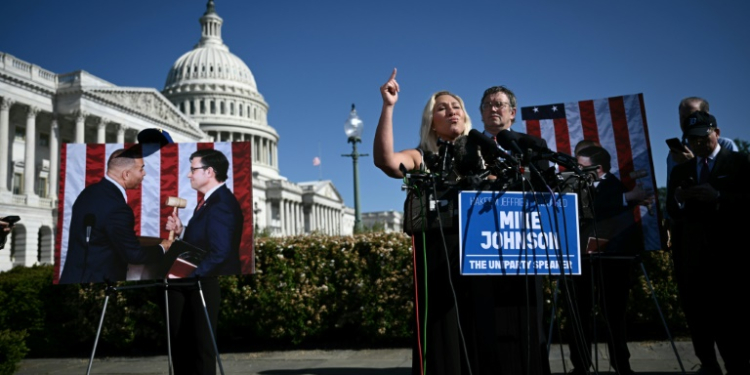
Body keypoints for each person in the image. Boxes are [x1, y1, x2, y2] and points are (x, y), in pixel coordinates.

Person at [374, 68, 473, 375]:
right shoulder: (421, 156)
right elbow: (387, 162)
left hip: (476, 249)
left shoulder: (480, 152)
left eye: (455, 106)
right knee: (441, 327)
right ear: (432, 120)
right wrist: (388, 107)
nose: (451, 111)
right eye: (442, 108)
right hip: (437, 253)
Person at [667, 111, 750, 375]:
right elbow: (671, 208)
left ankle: (737, 365)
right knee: (698, 319)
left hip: (729, 257)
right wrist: (680, 198)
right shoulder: (681, 169)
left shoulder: (740, 162)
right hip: (692, 257)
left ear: (717, 132)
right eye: (693, 139)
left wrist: (718, 197)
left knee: (730, 321)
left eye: (704, 137)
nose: (700, 143)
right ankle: (708, 364)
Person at [165, 148, 244, 375]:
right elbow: (206, 241)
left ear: (209, 172)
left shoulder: (221, 204)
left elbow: (220, 252)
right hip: (193, 283)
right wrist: (182, 231)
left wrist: (187, 274)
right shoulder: (211, 202)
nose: (189, 175)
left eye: (193, 170)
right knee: (185, 345)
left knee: (200, 348)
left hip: (201, 283)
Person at [566, 145, 640, 375]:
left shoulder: (616, 186)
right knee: (579, 314)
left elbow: (599, 208)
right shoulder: (576, 185)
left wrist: (624, 198)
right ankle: (580, 364)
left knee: (614, 315)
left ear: (598, 168)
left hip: (613, 260)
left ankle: (621, 364)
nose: (576, 170)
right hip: (581, 259)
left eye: (581, 166)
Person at [59, 147, 172, 284]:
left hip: (72, 278)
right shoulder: (118, 208)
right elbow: (134, 255)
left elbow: (101, 237)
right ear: (126, 174)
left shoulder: (87, 193)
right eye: (141, 169)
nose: (144, 174)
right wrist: (163, 248)